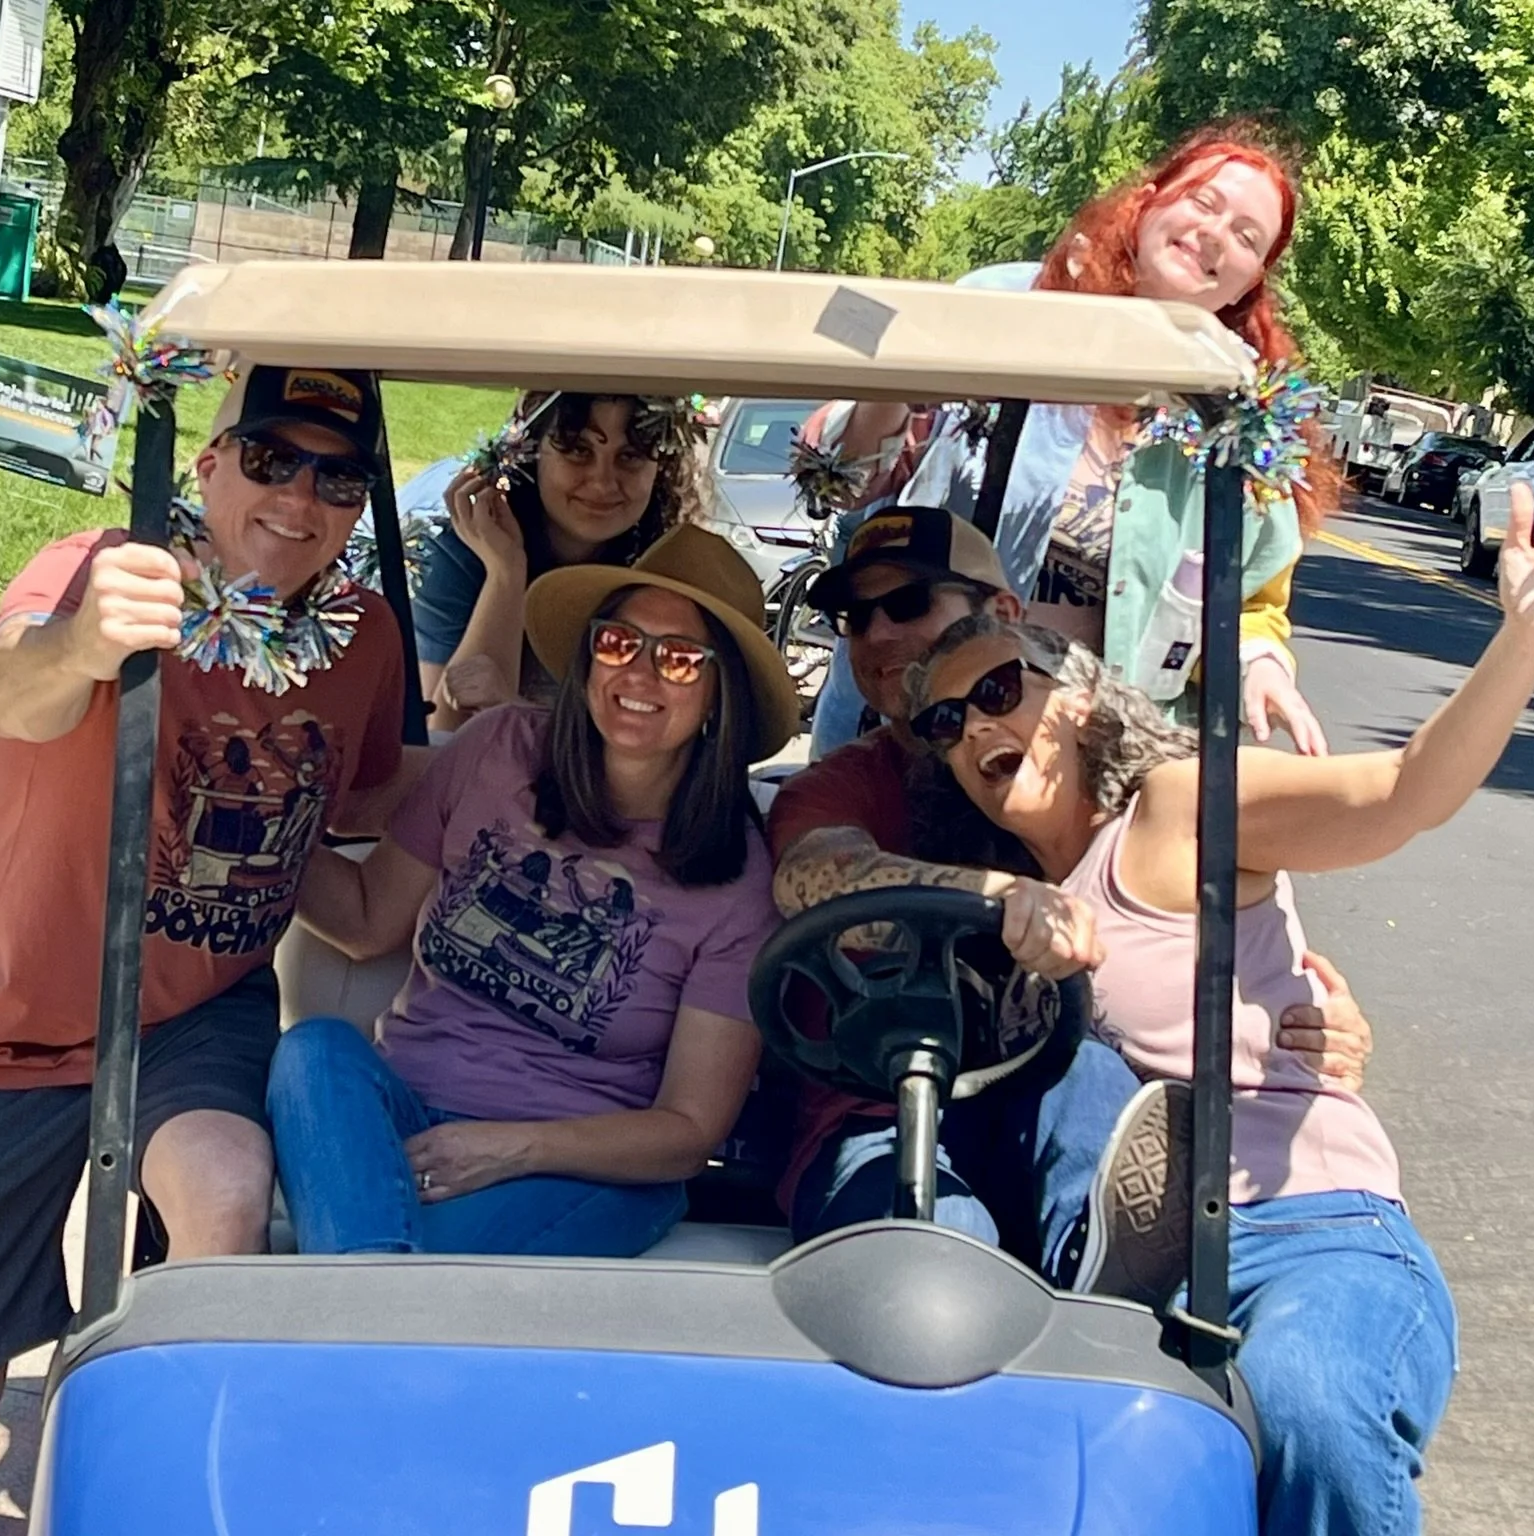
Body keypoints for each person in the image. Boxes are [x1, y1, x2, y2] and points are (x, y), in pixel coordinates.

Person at [897, 465, 1534, 1534]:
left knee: (1305, 1406)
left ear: (1082, 697)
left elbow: (1397, 796)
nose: (971, 729)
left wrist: (1525, 635)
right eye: (943, 723)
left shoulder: (1174, 811)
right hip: (1128, 1264)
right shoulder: (1006, 900)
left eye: (999, 692)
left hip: (1303, 1230)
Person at [0, 363, 410, 1536]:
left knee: (224, 1194)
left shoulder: (360, 634)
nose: (299, 500)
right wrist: (87, 640)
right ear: (207, 464)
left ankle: (148, 1493)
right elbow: (20, 691)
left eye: (336, 478)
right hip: (4, 1033)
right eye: (270, 461)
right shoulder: (109, 567)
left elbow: (358, 818)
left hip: (195, 1015)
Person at [767, 505, 1373, 1278]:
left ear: (1003, 616)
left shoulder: (1077, 782)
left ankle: (1107, 1290)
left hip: (1062, 1112)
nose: (880, 634)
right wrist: (999, 898)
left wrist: (1314, 1022)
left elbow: (1196, 934)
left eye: (911, 604)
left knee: (1088, 1080)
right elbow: (817, 877)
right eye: (856, 618)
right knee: (938, 1263)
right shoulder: (843, 787)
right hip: (883, 1113)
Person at [268, 524, 798, 1257]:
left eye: (678, 660)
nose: (639, 676)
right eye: (618, 643)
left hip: (579, 1166)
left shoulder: (739, 882)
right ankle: (377, 1290)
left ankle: (364, 1294)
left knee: (412, 1263)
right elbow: (365, 919)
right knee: (315, 1048)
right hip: (404, 1114)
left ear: (719, 696)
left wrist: (514, 1149)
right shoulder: (499, 748)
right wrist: (258, 814)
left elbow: (688, 1132)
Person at [808, 119, 1340, 760]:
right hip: (926, 725)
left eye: (1246, 236)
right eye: (1203, 201)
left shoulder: (1236, 409)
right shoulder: (1009, 303)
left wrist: (1260, 666)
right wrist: (878, 382)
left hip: (1088, 755)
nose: (1215, 234)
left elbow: (1249, 599)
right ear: (1149, 201)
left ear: (1250, 279)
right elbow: (845, 479)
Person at [415, 391, 708, 731]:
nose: (602, 482)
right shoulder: (462, 554)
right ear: (529, 451)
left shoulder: (670, 570)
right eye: (578, 451)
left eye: (630, 456)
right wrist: (505, 574)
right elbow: (443, 740)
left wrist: (514, 709)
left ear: (661, 468)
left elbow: (661, 748)